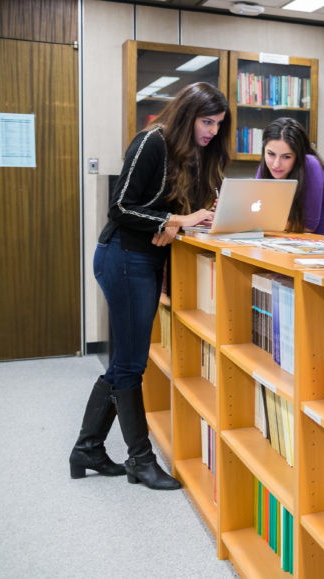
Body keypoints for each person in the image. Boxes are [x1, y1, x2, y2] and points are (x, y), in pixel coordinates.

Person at [70, 82, 231, 490]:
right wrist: (172, 222)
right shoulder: (151, 142)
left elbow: (171, 211)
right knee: (130, 363)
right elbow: (120, 206)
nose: (212, 130)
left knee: (127, 360)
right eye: (206, 121)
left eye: (218, 124)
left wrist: (188, 219)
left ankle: (87, 448)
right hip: (123, 258)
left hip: (144, 259)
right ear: (187, 114)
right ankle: (139, 460)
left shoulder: (194, 153)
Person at [256, 117, 324, 236]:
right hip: (281, 241)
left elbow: (309, 226)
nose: (276, 164)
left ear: (298, 155)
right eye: (271, 154)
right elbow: (257, 212)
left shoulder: (311, 164)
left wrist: (261, 222)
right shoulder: (265, 165)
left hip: (317, 246)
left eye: (286, 157)